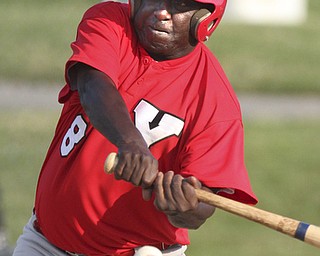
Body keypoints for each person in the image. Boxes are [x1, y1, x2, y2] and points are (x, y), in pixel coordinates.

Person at [13, 0, 258, 255]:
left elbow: (201, 209)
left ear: (205, 19)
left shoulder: (216, 102)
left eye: (179, 5)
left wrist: (183, 207)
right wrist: (131, 142)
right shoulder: (109, 21)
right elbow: (92, 86)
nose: (162, 12)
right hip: (45, 244)